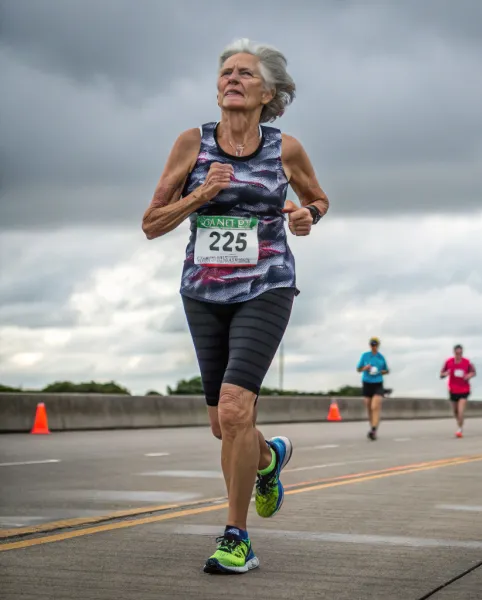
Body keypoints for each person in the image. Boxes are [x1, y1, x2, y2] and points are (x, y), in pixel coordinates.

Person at [141, 39, 329, 574]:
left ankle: (235, 536)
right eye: (226, 72)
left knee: (234, 407)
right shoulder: (191, 145)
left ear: (267, 92)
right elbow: (151, 225)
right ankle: (270, 459)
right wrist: (199, 196)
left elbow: (319, 198)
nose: (232, 79)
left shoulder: (284, 149)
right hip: (203, 290)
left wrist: (306, 215)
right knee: (225, 426)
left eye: (245, 73)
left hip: (266, 286)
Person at [440, 344, 476, 437]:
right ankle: (459, 424)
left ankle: (459, 429)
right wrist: (445, 373)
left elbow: (473, 372)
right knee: (455, 412)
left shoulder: (467, 362)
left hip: (464, 390)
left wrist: (469, 375)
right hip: (453, 390)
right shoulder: (449, 362)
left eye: (460, 353)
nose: (459, 355)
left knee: (460, 411)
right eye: (457, 353)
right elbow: (441, 374)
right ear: (454, 353)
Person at [357, 337, 389, 440]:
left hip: (377, 383)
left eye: (375, 345)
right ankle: (372, 428)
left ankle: (374, 429)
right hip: (367, 382)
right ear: (370, 345)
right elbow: (358, 369)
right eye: (372, 345)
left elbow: (386, 370)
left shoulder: (380, 357)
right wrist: (365, 368)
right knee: (369, 407)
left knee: (375, 406)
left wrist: (379, 371)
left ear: (378, 345)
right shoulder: (365, 356)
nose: (373, 346)